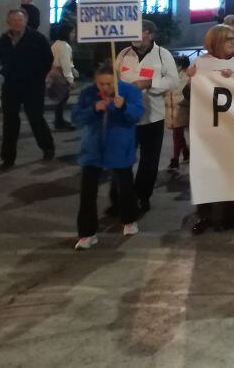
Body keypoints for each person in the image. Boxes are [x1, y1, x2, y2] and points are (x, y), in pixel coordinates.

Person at [73, 63, 144, 250]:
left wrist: (123, 107)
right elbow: (76, 118)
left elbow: (137, 114)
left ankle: (129, 220)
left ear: (117, 80)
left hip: (119, 147)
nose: (105, 88)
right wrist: (93, 109)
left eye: (109, 84)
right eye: (101, 84)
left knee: (125, 188)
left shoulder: (129, 92)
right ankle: (87, 233)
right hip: (93, 149)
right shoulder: (88, 93)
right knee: (87, 193)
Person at [189, 24, 234, 234]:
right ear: (215, 42)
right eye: (228, 39)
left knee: (230, 171)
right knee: (205, 171)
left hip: (232, 127)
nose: (233, 42)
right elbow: (191, 96)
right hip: (206, 128)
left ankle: (228, 214)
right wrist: (190, 81)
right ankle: (204, 215)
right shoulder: (201, 62)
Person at [115, 20, 180, 215]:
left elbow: (173, 81)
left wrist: (150, 83)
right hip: (127, 115)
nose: (135, 36)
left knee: (149, 160)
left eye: (140, 32)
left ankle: (143, 195)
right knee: (123, 157)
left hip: (153, 116)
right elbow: (114, 78)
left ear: (150, 34)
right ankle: (123, 196)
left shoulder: (162, 54)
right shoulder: (123, 54)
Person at [0, 8, 55, 168]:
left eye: (19, 20)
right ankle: (8, 158)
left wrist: (38, 76)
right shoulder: (3, 40)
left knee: (36, 117)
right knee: (9, 121)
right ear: (8, 22)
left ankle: (47, 147)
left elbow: (48, 59)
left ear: (26, 21)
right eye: (13, 20)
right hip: (11, 85)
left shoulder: (37, 38)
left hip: (32, 85)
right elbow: (3, 58)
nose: (16, 23)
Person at [48, 24, 77, 131]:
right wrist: (70, 80)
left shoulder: (55, 44)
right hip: (60, 75)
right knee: (62, 99)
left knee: (60, 99)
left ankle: (59, 120)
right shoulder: (64, 46)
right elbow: (66, 65)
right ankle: (59, 122)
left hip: (54, 73)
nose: (74, 35)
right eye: (72, 32)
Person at [166, 54, 191, 172]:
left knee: (177, 134)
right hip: (171, 110)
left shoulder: (187, 77)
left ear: (180, 66)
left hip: (181, 109)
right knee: (178, 134)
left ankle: (175, 160)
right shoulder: (168, 76)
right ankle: (186, 152)